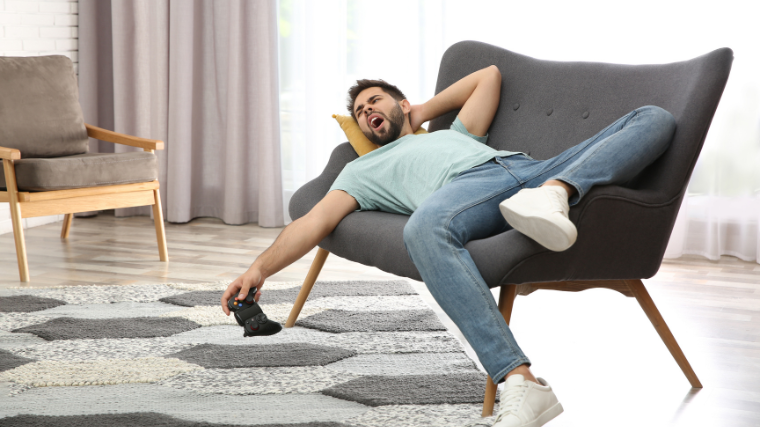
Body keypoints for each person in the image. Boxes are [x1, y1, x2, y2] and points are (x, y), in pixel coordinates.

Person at [222, 65, 675, 427]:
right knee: (423, 228)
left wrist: (418, 112)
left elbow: (489, 76)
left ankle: (558, 190)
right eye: (359, 112)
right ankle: (520, 380)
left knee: (653, 118)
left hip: (527, 171)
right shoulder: (359, 173)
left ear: (399, 103)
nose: (365, 113)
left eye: (374, 101)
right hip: (466, 191)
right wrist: (258, 270)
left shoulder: (454, 134)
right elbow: (312, 222)